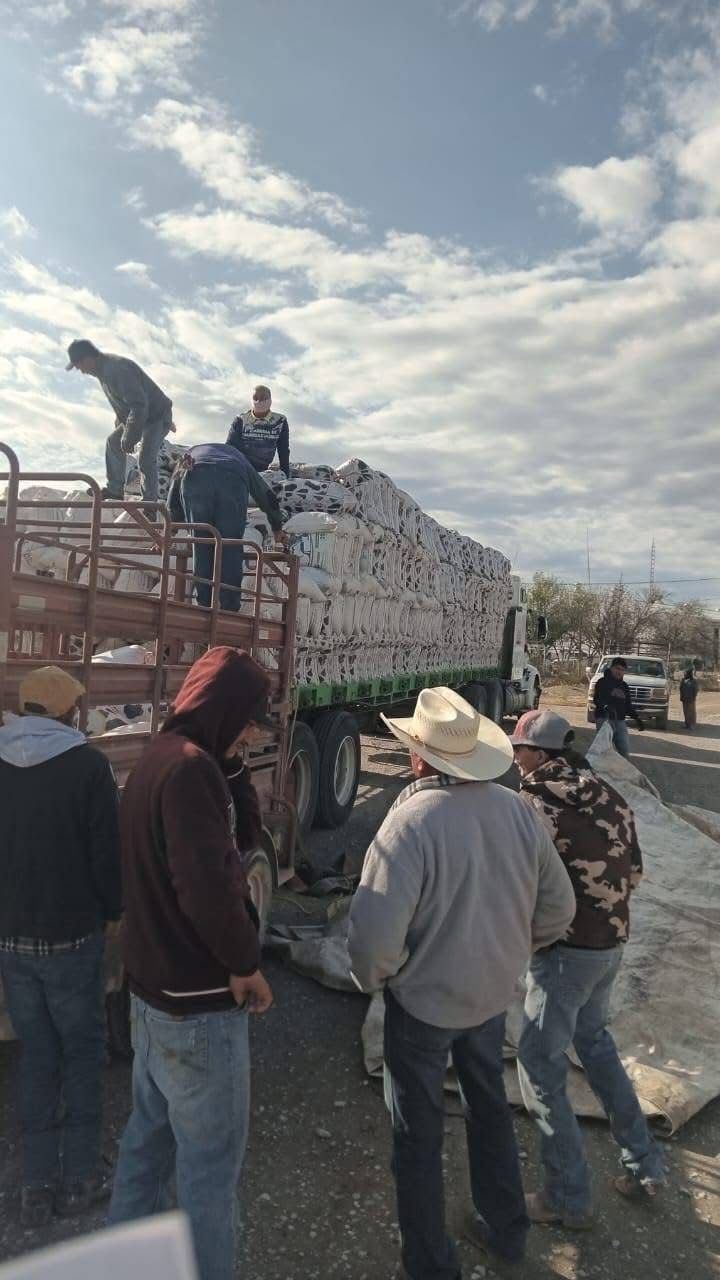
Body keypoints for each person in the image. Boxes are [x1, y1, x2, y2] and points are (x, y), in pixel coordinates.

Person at [347, 687, 576, 1279]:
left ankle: (429, 1264)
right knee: (489, 1110)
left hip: (422, 1009)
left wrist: (379, 980)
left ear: (418, 757)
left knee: (417, 1138)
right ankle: (506, 1230)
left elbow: (373, 940)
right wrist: (508, 953)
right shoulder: (519, 811)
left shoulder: (410, 823)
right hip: (492, 996)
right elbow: (559, 909)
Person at [108, 647, 275, 1280]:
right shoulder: (188, 772)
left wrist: (233, 772)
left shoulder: (165, 758)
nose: (254, 732)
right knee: (207, 1172)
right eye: (250, 718)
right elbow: (208, 887)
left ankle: (118, 1266)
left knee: (146, 1148)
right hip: (198, 1006)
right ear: (224, 709)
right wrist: (245, 961)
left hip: (154, 1000)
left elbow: (242, 844)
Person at [512, 709, 666, 1230]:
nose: (514, 759)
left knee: (539, 1067)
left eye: (519, 750)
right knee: (595, 1044)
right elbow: (637, 872)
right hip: (612, 945)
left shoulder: (530, 804)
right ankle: (645, 1165)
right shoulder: (609, 794)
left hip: (564, 954)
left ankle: (566, 1199)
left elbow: (518, 888)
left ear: (539, 754)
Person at [0, 667, 121, 1227]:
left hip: (12, 942)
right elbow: (105, 860)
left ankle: (35, 1184)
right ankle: (78, 1180)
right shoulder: (89, 768)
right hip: (73, 940)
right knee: (82, 1053)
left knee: (38, 1053)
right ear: (71, 712)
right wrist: (115, 913)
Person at [166, 443, 287, 611]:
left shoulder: (189, 455)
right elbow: (264, 493)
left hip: (195, 478)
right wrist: (277, 526)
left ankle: (204, 607)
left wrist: (169, 532)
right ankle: (229, 609)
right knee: (230, 546)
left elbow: (173, 498)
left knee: (201, 545)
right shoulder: (238, 457)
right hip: (232, 481)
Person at [66, 339, 173, 502]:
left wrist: (130, 436)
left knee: (145, 458)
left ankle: (150, 502)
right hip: (141, 415)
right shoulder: (103, 372)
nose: (81, 371)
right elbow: (124, 403)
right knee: (113, 442)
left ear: (88, 359)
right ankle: (115, 490)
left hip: (156, 417)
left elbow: (138, 404)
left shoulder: (116, 369)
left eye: (79, 365)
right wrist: (121, 425)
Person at [226, 383, 290, 477]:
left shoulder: (280, 421)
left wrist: (286, 474)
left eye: (264, 398)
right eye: (255, 397)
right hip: (241, 467)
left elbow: (283, 449)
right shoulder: (241, 419)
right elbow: (230, 447)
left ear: (270, 400)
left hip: (263, 469)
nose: (259, 401)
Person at [593, 656, 644, 758]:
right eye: (617, 668)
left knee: (624, 751)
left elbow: (628, 705)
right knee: (603, 751)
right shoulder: (602, 682)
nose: (619, 672)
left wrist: (636, 718)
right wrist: (606, 707)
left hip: (620, 721)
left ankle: (622, 773)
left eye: (622, 670)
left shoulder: (624, 686)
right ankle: (600, 772)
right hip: (604, 720)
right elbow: (597, 699)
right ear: (611, 668)